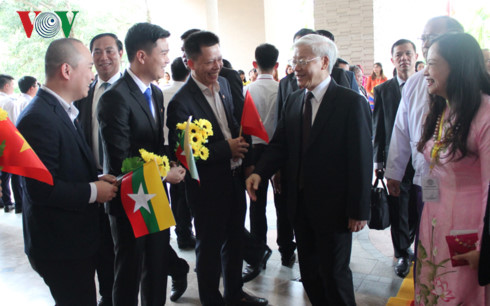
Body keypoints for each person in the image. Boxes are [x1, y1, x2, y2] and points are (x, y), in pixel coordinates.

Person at [246, 34, 372, 305]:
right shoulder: (293, 100)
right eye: (294, 61)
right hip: (299, 205)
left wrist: (359, 209)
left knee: (334, 274)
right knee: (311, 275)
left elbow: (361, 159)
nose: (296, 68)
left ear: (325, 61)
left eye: (303, 61)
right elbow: (280, 144)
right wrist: (260, 172)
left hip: (335, 209)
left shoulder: (351, 103)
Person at [167, 30, 267, 306]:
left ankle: (235, 294)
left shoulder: (225, 84)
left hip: (234, 180)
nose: (217, 66)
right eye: (210, 61)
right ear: (191, 63)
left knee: (235, 241)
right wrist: (227, 150)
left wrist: (247, 165)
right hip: (207, 189)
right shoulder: (181, 103)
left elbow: (237, 126)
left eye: (220, 59)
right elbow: (185, 155)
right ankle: (212, 299)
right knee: (210, 249)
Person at [16, 38, 118, 306]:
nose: (93, 73)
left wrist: (94, 179)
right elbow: (40, 189)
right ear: (66, 71)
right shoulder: (38, 118)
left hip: (75, 238)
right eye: (88, 66)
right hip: (59, 245)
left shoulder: (62, 111)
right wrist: (94, 191)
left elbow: (61, 169)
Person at [97, 23, 187, 306]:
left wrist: (174, 159)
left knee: (158, 267)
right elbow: (121, 160)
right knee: (129, 272)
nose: (167, 59)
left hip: (155, 194)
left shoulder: (156, 93)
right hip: (130, 199)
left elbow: (154, 145)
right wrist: (165, 173)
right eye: (163, 52)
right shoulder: (115, 98)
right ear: (141, 56)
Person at [414, 32, 490, 305]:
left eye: (432, 63)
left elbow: (489, 190)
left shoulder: (485, 114)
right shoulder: (442, 108)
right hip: (434, 222)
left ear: (457, 67)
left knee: (459, 295)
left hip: (469, 234)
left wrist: (486, 248)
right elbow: (433, 169)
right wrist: (427, 209)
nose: (425, 71)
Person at [384, 17, 464, 248]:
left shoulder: (472, 87)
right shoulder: (416, 83)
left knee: (459, 239)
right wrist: (394, 172)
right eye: (424, 39)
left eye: (433, 38)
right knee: (430, 231)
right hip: (428, 177)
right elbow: (401, 129)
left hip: (465, 186)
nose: (427, 44)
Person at [73, 32, 122, 306]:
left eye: (109, 51)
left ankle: (174, 268)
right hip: (93, 180)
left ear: (120, 53)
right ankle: (108, 295)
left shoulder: (131, 91)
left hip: (124, 183)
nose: (103, 57)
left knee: (128, 247)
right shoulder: (85, 92)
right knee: (102, 244)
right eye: (97, 52)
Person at [372, 39, 419, 278]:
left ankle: (414, 246)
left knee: (418, 208)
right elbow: (378, 128)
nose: (404, 58)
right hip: (394, 160)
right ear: (392, 60)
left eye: (408, 53)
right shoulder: (383, 90)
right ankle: (402, 253)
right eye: (399, 54)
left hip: (422, 161)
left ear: (415, 55)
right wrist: (379, 164)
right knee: (398, 206)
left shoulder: (426, 85)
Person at [161, 57, 196, 250]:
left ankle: (177, 231)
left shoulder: (161, 92)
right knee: (183, 192)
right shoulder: (188, 95)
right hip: (180, 147)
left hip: (162, 147)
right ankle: (184, 232)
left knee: (172, 192)